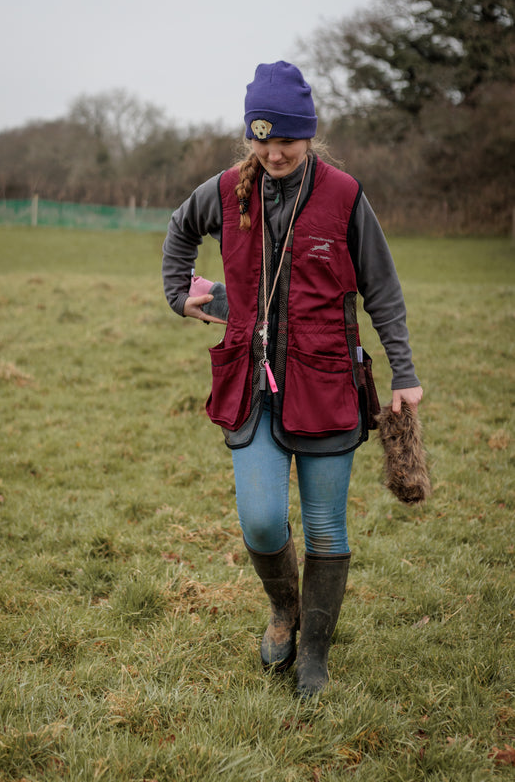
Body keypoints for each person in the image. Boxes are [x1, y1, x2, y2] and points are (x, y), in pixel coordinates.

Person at [162, 61, 423, 697]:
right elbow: (179, 230)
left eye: (288, 140)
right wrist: (180, 293)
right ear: (249, 136)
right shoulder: (226, 191)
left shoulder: (344, 195)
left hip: (328, 384)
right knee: (260, 522)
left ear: (310, 137)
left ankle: (314, 655)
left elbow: (382, 289)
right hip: (251, 387)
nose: (274, 152)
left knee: (328, 529)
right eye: (262, 138)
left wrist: (405, 372)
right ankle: (283, 608)